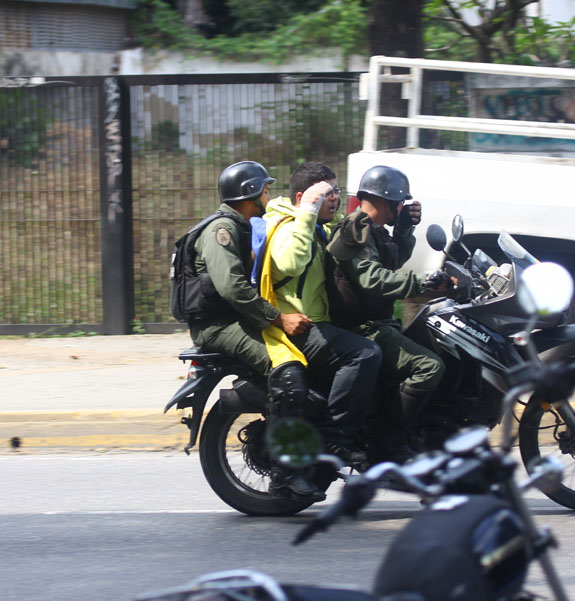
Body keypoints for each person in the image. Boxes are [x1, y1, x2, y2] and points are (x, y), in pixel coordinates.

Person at [183, 160, 320, 499]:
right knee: (287, 371)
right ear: (250, 193)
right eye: (265, 189)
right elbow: (232, 288)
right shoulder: (222, 231)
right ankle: (285, 471)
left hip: (237, 318)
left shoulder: (243, 225)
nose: (269, 194)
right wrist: (278, 318)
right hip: (217, 325)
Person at [325, 164, 453, 462]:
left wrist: (405, 227)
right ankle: (390, 445)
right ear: (386, 200)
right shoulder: (354, 229)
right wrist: (421, 281)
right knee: (429, 367)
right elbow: (372, 278)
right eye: (399, 202)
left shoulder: (375, 230)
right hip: (362, 327)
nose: (402, 206)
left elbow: (393, 259)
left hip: (379, 322)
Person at [262, 161, 383, 471]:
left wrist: (403, 224)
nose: (334, 198)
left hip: (322, 322)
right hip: (296, 328)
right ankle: (336, 438)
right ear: (303, 196)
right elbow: (290, 263)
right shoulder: (285, 226)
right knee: (364, 355)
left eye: (336, 191)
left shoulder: (318, 225)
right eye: (325, 193)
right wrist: (306, 212)